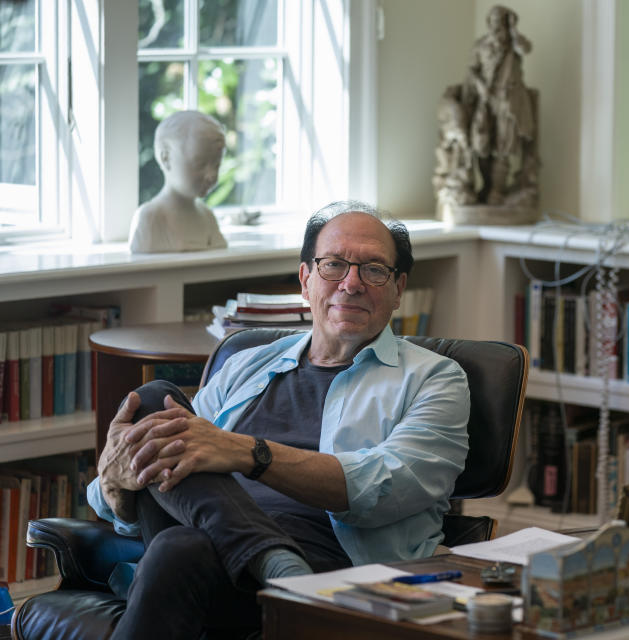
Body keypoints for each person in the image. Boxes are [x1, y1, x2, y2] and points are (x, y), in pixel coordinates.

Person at [90, 201, 470, 638]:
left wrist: (249, 454)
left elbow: (385, 488)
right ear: (306, 279)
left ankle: (284, 570)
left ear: (398, 287)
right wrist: (114, 484)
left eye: (374, 270)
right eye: (334, 266)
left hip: (330, 569)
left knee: (179, 547)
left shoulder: (435, 378)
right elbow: (115, 503)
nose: (351, 284)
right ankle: (275, 564)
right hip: (220, 560)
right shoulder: (247, 365)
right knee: (156, 399)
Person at [128, 110, 228, 253]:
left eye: (217, 165)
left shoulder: (207, 217)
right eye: (200, 164)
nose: (212, 175)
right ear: (166, 158)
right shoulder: (150, 219)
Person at [464, 4, 536, 205]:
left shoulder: (513, 45)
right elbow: (472, 70)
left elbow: (525, 47)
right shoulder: (481, 45)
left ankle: (497, 191)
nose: (497, 26)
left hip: (507, 100)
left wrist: (514, 30)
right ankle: (486, 187)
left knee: (504, 145)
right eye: (494, 21)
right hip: (485, 99)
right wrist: (480, 88)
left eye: (501, 22)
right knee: (482, 143)